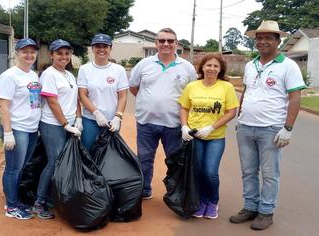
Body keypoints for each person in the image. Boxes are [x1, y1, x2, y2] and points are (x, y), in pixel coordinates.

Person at [229, 20, 306, 230]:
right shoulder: (250, 65)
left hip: (271, 129)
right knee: (248, 171)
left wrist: (287, 128)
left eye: (268, 38)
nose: (262, 42)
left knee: (270, 174)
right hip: (245, 127)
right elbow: (247, 91)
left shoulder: (288, 66)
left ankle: (266, 211)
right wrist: (240, 116)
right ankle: (250, 207)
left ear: (278, 41)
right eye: (259, 38)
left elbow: (295, 98)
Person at [129, 28, 198, 200]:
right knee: (144, 159)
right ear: (156, 43)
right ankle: (144, 190)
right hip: (146, 122)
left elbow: (192, 94)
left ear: (176, 43)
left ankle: (175, 193)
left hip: (174, 124)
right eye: (162, 41)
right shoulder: (143, 64)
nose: (165, 44)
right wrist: (149, 102)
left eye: (170, 41)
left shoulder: (187, 67)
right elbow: (133, 86)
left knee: (174, 161)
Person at [179, 54, 239, 219]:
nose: (212, 69)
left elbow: (231, 112)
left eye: (215, 66)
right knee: (197, 171)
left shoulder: (226, 87)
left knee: (210, 172)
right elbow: (184, 107)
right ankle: (200, 202)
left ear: (220, 70)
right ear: (202, 68)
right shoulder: (192, 86)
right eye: (208, 65)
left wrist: (211, 127)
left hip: (215, 137)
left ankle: (212, 201)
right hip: (195, 136)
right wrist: (184, 126)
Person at [34, 39, 82, 219]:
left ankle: (51, 196)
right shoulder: (49, 74)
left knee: (62, 163)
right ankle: (39, 202)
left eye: (66, 53)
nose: (64, 57)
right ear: (52, 55)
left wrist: (78, 118)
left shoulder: (69, 75)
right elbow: (52, 102)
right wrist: (65, 125)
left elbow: (76, 98)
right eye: (59, 53)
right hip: (52, 125)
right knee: (54, 162)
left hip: (69, 124)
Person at [0, 38, 41, 220]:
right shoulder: (10, 75)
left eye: (32, 52)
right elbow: (4, 106)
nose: (29, 55)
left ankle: (15, 198)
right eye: (25, 51)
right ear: (17, 53)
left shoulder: (33, 75)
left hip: (31, 128)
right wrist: (8, 133)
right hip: (16, 128)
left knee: (22, 167)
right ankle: (11, 206)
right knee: (13, 168)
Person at [77, 33, 128, 151]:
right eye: (98, 46)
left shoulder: (118, 70)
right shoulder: (84, 69)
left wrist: (118, 117)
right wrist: (97, 113)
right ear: (93, 48)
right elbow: (82, 95)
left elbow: (123, 96)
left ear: (110, 48)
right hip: (91, 119)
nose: (101, 49)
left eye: (105, 46)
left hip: (112, 121)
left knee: (109, 155)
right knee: (88, 153)